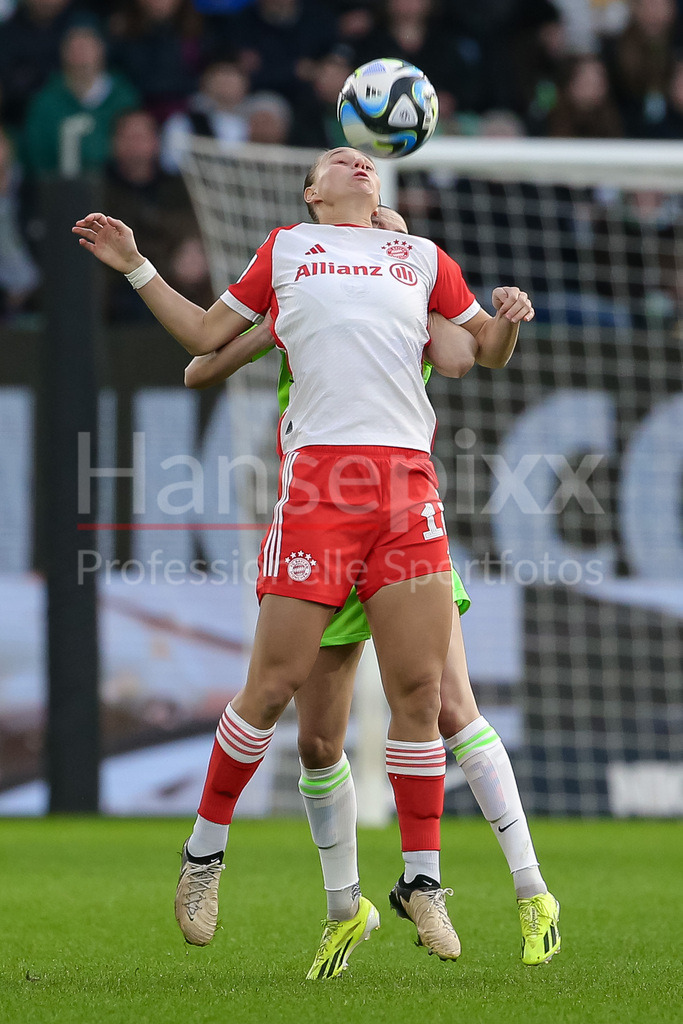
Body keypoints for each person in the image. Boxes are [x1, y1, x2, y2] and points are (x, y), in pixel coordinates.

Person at [72, 146, 536, 978]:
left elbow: (477, 355)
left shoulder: (419, 256)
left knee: (421, 695)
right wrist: (138, 265)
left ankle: (422, 882)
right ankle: (204, 855)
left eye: (363, 158)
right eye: (336, 158)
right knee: (276, 692)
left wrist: (503, 319)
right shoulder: (287, 250)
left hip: (406, 489)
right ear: (311, 192)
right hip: (320, 491)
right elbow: (201, 343)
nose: (355, 160)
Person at [183, 206, 561, 974]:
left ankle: (499, 886)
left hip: (401, 510)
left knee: (442, 701)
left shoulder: (411, 283)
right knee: (317, 737)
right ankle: (342, 906)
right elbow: (198, 367)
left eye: (391, 223)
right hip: (321, 510)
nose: (380, 229)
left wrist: (483, 314)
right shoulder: (308, 284)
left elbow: (464, 355)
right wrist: (271, 327)